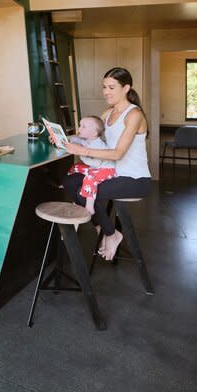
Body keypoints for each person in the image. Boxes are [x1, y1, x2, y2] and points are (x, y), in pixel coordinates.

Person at [62, 67, 151, 261]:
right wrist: (63, 139)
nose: (106, 92)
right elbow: (85, 135)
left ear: (126, 88)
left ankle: (112, 234)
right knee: (69, 182)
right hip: (109, 172)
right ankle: (102, 229)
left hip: (134, 179)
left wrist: (82, 151)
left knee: (84, 191)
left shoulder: (134, 115)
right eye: (104, 87)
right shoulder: (107, 113)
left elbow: (118, 153)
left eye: (111, 87)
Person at [66, 116, 116, 216]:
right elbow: (75, 138)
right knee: (76, 167)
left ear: (94, 133)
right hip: (95, 168)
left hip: (106, 169)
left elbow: (96, 163)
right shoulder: (87, 140)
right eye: (80, 125)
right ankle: (67, 183)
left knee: (90, 179)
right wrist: (64, 139)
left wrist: (81, 151)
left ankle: (90, 206)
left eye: (83, 127)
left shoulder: (98, 145)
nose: (79, 128)